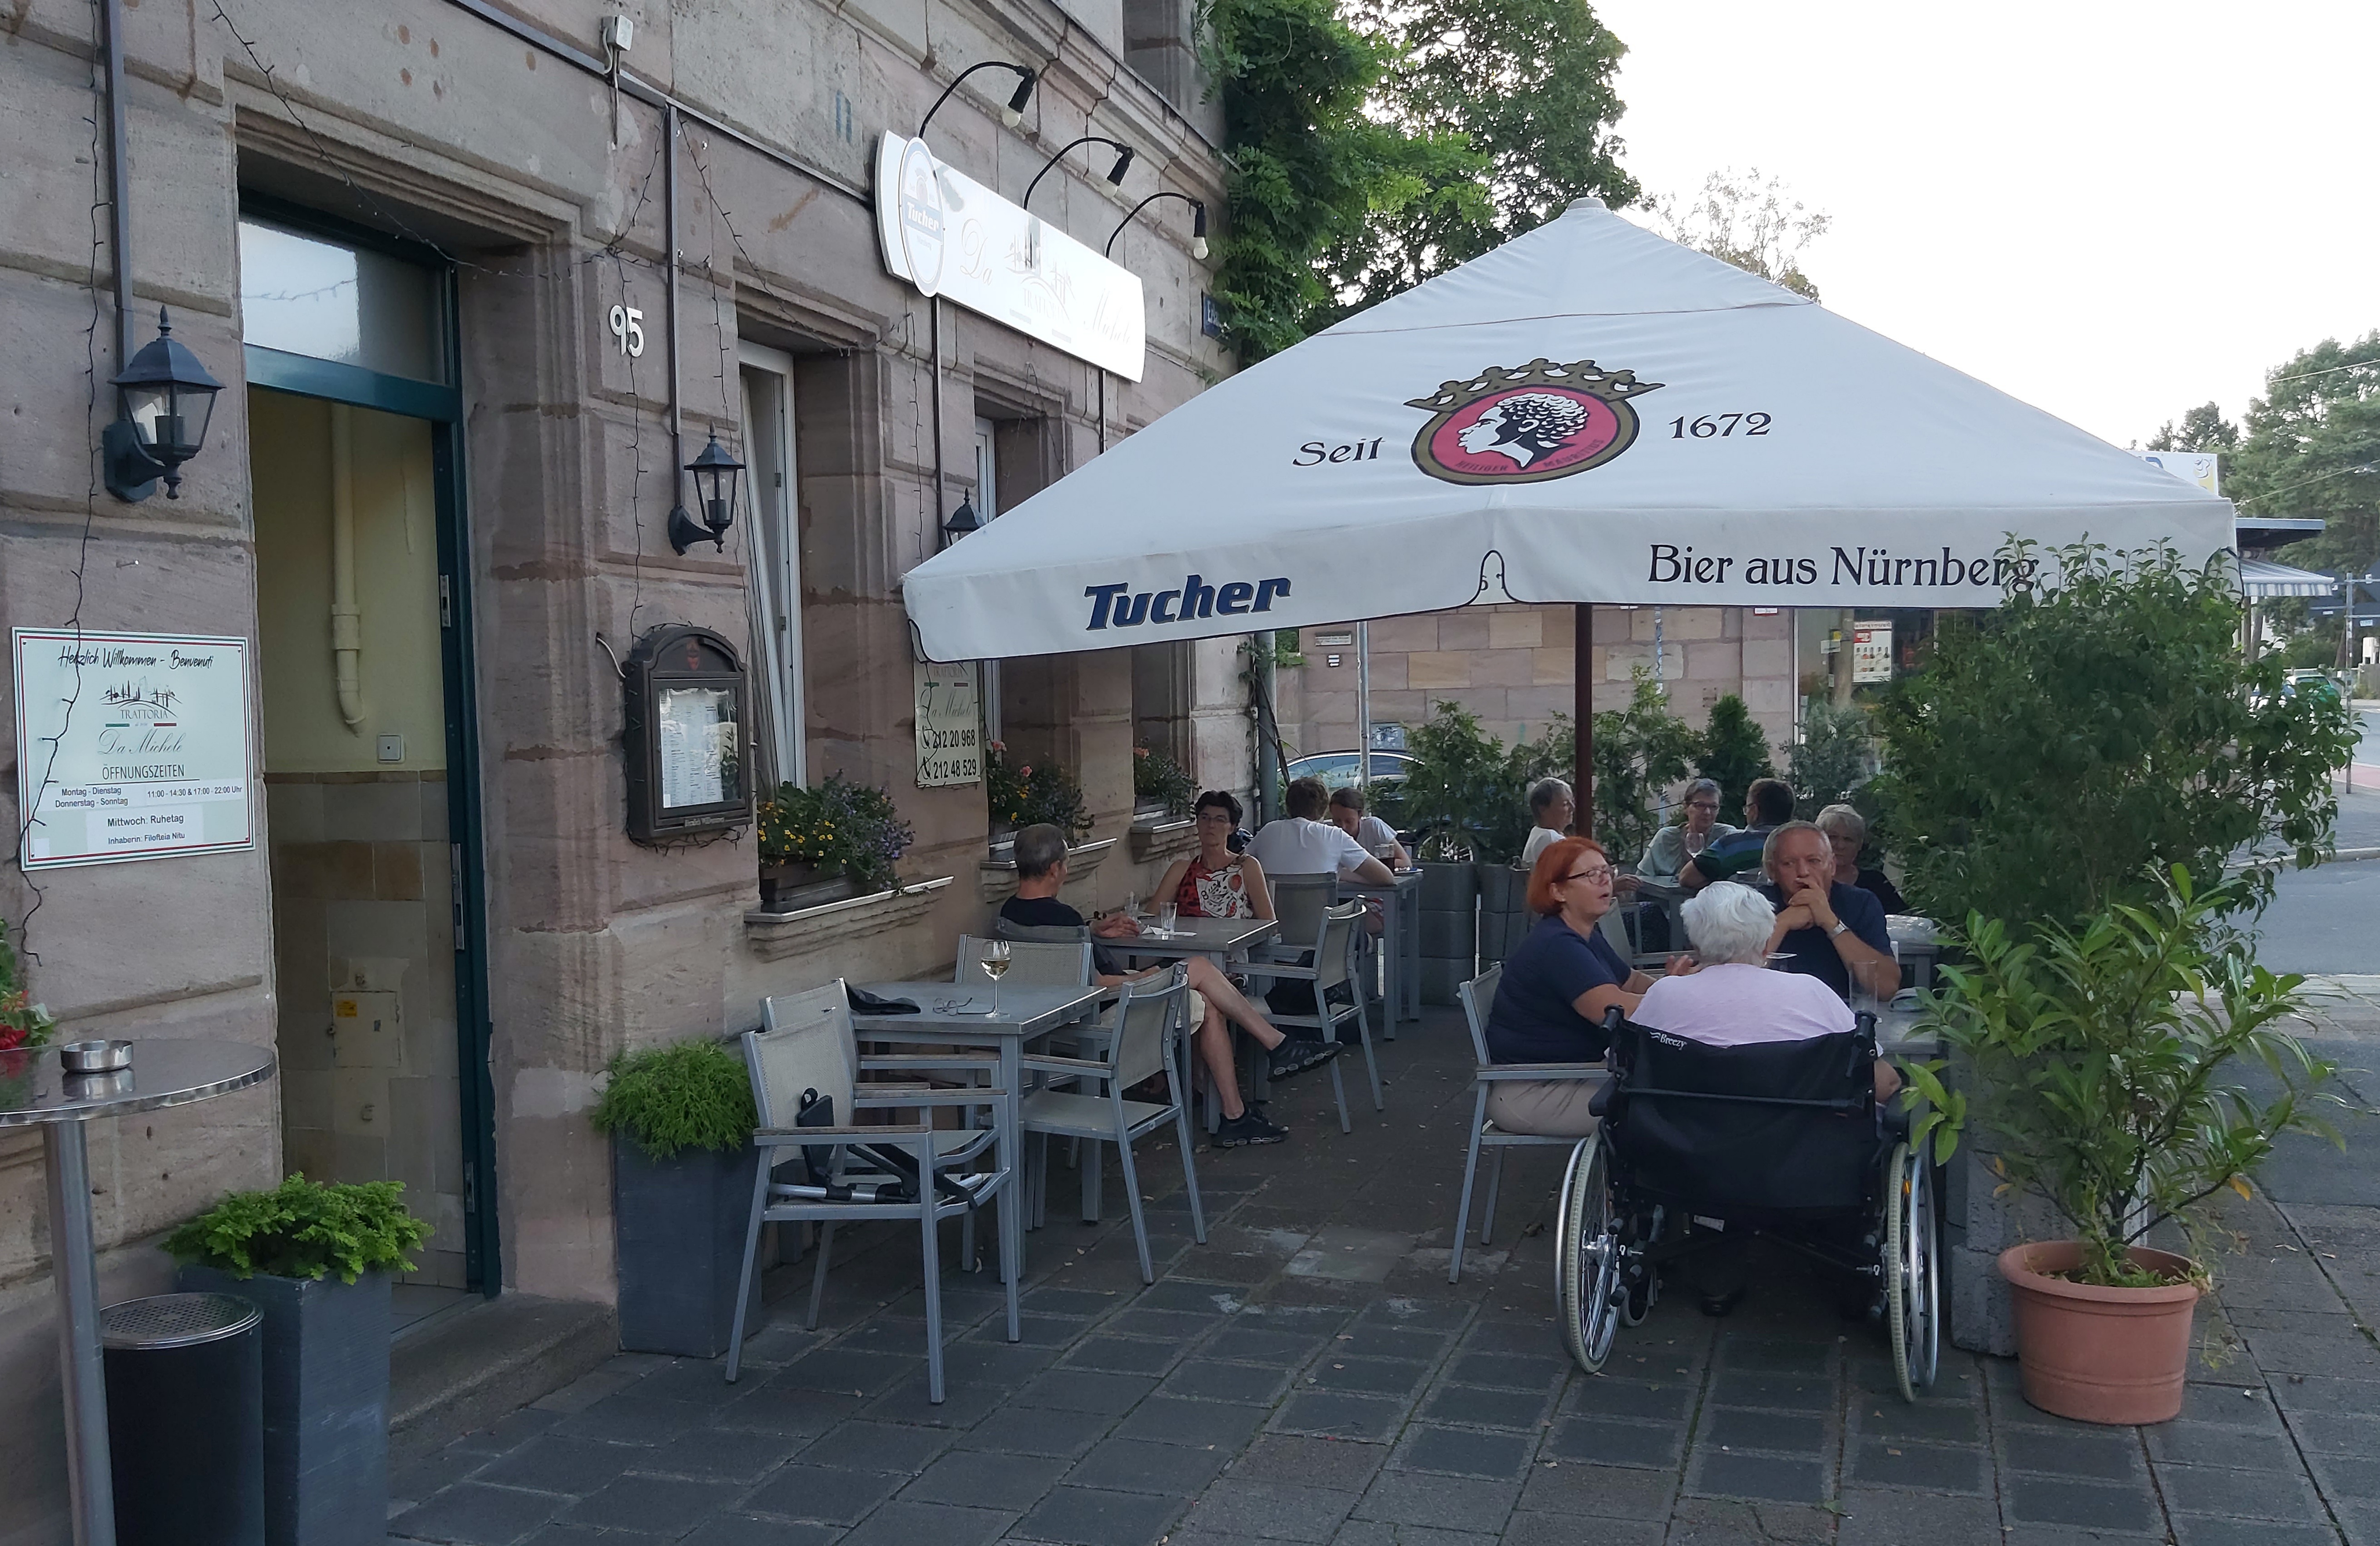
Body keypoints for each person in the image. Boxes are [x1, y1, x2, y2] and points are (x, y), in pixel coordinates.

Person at [1632, 881, 1900, 1317]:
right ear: (1764, 938)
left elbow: (1629, 1072)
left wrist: (1674, 993)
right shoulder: (1811, 993)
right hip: (1802, 1165)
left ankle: (1713, 1259)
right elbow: (1881, 1083)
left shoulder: (1664, 995)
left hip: (1689, 1161)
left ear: (1696, 940)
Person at [1000, 824, 1335, 1148]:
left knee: (1206, 1000)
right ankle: (1268, 1057)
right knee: (1200, 968)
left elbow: (1055, 957)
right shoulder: (1065, 919)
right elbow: (1096, 983)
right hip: (1111, 1007)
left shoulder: (1009, 915)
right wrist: (1142, 977)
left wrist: (1091, 931)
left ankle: (1235, 1105)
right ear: (1056, 869)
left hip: (1064, 1011)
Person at [1481, 837, 1686, 1137]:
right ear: (1558, 891)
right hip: (1535, 1090)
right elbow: (1617, 1010)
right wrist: (1681, 996)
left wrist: (1672, 987)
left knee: (1681, 1087)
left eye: (1606, 871)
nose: (1605, 880)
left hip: (1572, 1073)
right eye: (1591, 874)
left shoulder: (1582, 934)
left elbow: (1631, 981)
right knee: (1675, 1108)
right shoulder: (1558, 946)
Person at [1757, 821, 1900, 1003]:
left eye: (1813, 861)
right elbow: (1736, 979)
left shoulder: (1860, 903)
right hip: (1771, 1010)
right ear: (1772, 871)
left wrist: (1831, 923)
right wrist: (1783, 922)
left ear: (1832, 866)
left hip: (1842, 1012)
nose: (1803, 872)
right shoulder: (1755, 905)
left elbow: (1887, 988)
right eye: (1789, 863)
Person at [1247, 778, 1396, 884]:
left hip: (1272, 919)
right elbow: (1386, 878)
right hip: (1323, 920)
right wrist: (1342, 874)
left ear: (1288, 806)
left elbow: (1239, 865)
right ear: (1325, 809)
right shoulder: (1334, 836)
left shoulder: (1268, 831)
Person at [1678, 777, 1795, 892]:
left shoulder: (1733, 845)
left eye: (1747, 807)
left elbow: (1687, 878)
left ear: (1754, 811)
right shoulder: (1801, 845)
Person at [1814, 803, 1906, 915]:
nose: (1840, 846)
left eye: (1848, 839)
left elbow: (1902, 919)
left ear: (1860, 845)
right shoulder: (1804, 878)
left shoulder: (1876, 883)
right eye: (1833, 837)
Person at [1639, 778, 1737, 882]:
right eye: (1700, 805)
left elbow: (1737, 881)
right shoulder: (1666, 838)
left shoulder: (1727, 836)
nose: (1707, 812)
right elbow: (1642, 879)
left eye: (1714, 807)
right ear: (1686, 807)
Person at [1327, 785, 1410, 869]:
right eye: (1337, 821)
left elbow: (1405, 862)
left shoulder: (1373, 826)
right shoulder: (1327, 832)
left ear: (1360, 815)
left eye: (1349, 821)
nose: (1343, 827)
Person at [1519, 778, 1575, 868]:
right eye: (1565, 804)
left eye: (1572, 802)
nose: (1572, 808)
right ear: (1543, 809)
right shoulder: (1551, 839)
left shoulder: (1538, 833)